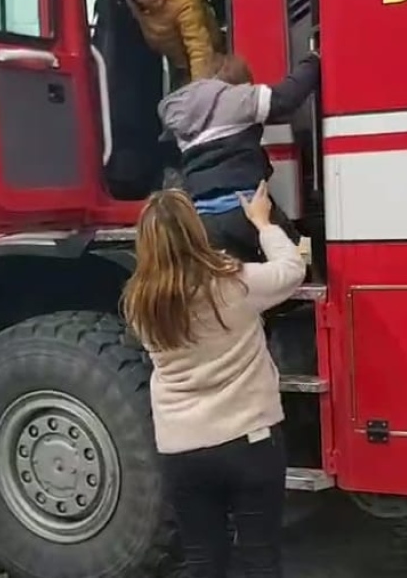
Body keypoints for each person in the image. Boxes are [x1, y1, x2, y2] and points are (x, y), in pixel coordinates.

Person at [121, 181, 305, 578]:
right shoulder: (233, 282)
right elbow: (292, 270)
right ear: (196, 230)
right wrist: (263, 223)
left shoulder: (139, 303)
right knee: (260, 559)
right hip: (250, 439)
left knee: (204, 560)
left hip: (182, 449)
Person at [158, 50, 320, 263]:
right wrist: (313, 61)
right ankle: (308, 277)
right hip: (246, 209)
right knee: (300, 250)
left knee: (235, 272)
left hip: (202, 217)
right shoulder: (236, 99)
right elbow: (287, 98)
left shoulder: (182, 112)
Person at [110, 0, 223, 84]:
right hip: (176, 61)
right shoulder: (131, 2)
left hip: (210, 59)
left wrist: (199, 90)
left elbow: (199, 49)